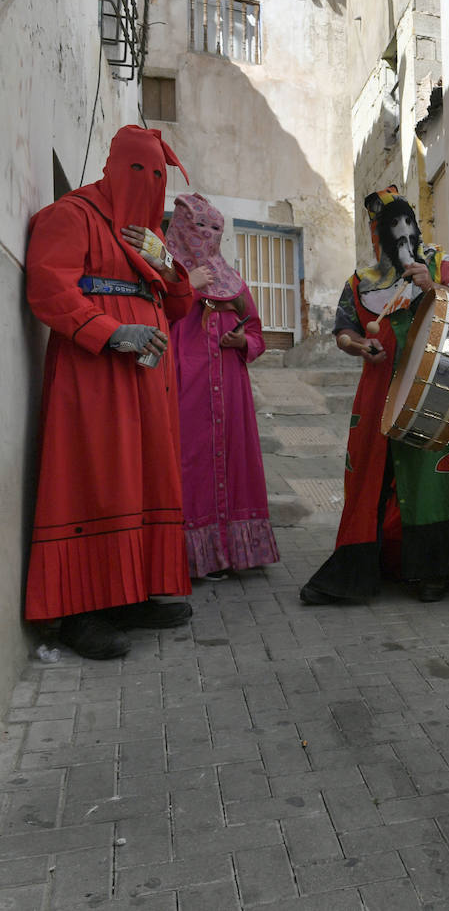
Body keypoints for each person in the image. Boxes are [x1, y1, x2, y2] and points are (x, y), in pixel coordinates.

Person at [24, 125, 196, 660]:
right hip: (93, 378)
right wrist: (111, 331)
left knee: (141, 480)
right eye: (139, 171)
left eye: (159, 177)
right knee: (94, 479)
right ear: (114, 167)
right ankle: (80, 612)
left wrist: (168, 267)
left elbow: (180, 306)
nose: (148, 184)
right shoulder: (71, 216)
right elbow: (49, 286)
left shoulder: (151, 237)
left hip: (147, 381)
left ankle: (131, 594)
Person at [299, 187, 449, 605]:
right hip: (378, 391)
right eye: (384, 230)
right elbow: (345, 330)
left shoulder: (441, 264)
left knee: (430, 477)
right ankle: (361, 564)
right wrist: (358, 345)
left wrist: (434, 287)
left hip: (432, 390)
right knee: (370, 475)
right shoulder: (360, 282)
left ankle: (436, 570)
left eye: (403, 229)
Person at [166, 193, 280, 581]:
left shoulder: (232, 280)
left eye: (216, 229)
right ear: (182, 227)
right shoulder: (163, 271)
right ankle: (193, 559)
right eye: (200, 227)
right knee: (188, 460)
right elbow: (154, 316)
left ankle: (236, 553)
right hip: (184, 382)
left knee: (234, 459)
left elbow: (256, 331)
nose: (208, 236)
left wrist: (242, 342)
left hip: (230, 387)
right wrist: (190, 287)